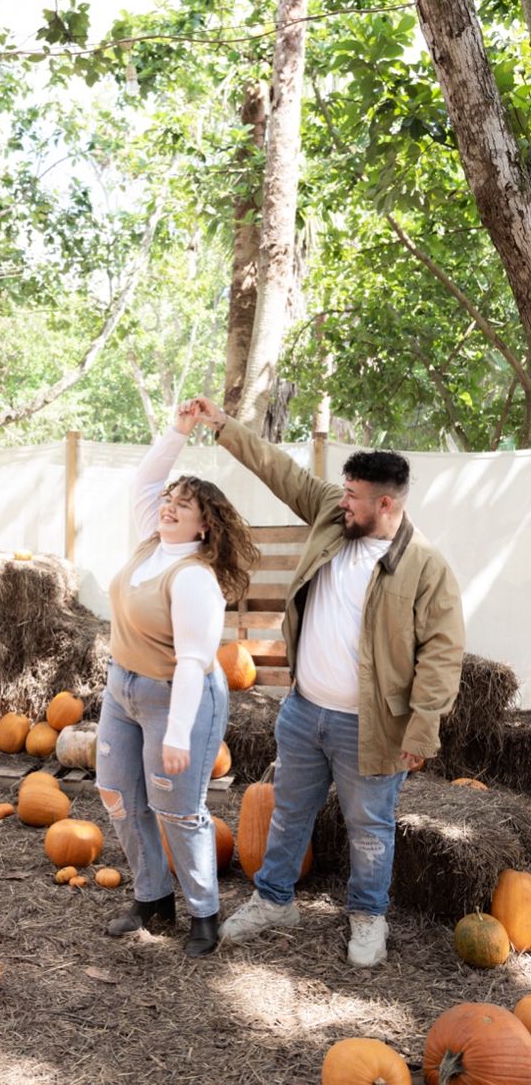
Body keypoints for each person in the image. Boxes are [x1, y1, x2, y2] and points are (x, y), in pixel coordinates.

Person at [187, 395, 465, 967]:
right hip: (305, 710)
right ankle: (274, 900)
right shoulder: (331, 516)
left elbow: (443, 650)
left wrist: (423, 726)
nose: (343, 501)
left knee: (369, 827)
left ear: (385, 503)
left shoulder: (426, 566)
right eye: (343, 490)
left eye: (355, 496)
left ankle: (367, 915)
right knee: (288, 811)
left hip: (373, 727)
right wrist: (221, 426)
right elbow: (279, 470)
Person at [96, 403, 259, 958]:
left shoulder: (193, 579)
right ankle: (152, 898)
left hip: (176, 699)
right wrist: (179, 430)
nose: (167, 507)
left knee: (178, 810)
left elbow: (193, 662)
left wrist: (176, 736)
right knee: (118, 794)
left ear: (204, 524)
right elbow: (145, 479)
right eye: (168, 500)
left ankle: (204, 914)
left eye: (182, 505)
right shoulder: (149, 543)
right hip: (122, 689)